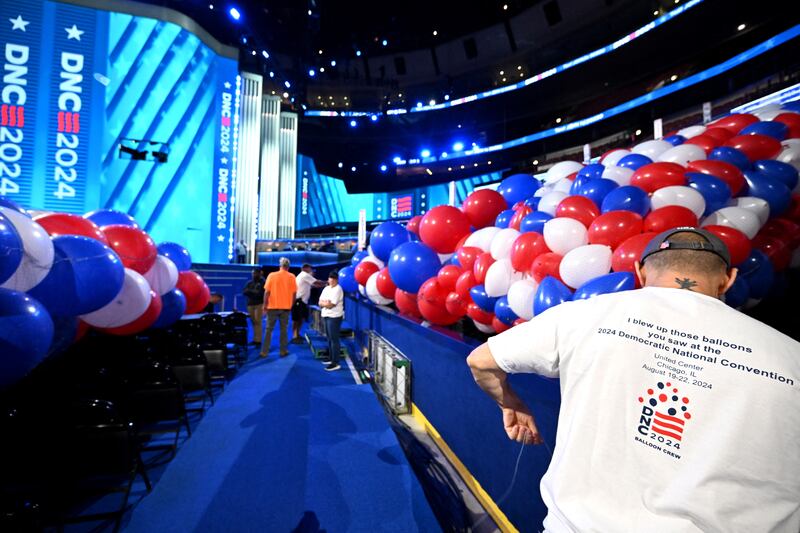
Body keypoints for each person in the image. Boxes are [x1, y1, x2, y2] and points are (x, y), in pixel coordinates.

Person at [467, 228, 800, 532]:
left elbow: (481, 361)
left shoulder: (585, 315)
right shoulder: (790, 357)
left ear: (640, 272)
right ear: (729, 279)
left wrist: (510, 402)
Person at [261, 257, 297, 358]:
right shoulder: (292, 277)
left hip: (272, 307)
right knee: (284, 330)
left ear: (279, 265)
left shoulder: (272, 275)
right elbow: (294, 294)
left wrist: (265, 306)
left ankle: (264, 352)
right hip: (286, 308)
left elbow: (266, 292)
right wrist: (291, 304)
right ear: (288, 267)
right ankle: (283, 351)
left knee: (268, 329)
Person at [292, 263, 326, 343]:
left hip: (302, 301)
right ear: (306, 268)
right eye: (310, 268)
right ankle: (295, 336)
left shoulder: (303, 276)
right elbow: (317, 282)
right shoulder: (304, 275)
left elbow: (315, 285)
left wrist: (325, 285)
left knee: (300, 318)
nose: (311, 270)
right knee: (297, 319)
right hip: (299, 301)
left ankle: (297, 334)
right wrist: (328, 282)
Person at [318, 270, 345, 371]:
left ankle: (335, 362)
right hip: (326, 315)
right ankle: (331, 358)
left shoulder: (338, 289)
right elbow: (319, 302)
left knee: (334, 339)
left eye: (334, 279)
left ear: (337, 280)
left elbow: (331, 305)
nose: (332, 280)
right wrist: (326, 303)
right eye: (331, 278)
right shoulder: (326, 288)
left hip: (334, 317)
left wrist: (325, 303)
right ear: (328, 279)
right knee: (329, 338)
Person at [242, 268, 265, 346]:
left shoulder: (263, 282)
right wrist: (253, 292)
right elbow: (245, 291)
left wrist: (250, 292)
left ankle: (258, 340)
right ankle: (255, 339)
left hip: (259, 304)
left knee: (258, 321)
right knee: (253, 321)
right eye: (252, 273)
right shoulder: (249, 283)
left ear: (259, 273)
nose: (253, 275)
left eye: (255, 273)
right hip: (250, 304)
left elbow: (260, 293)